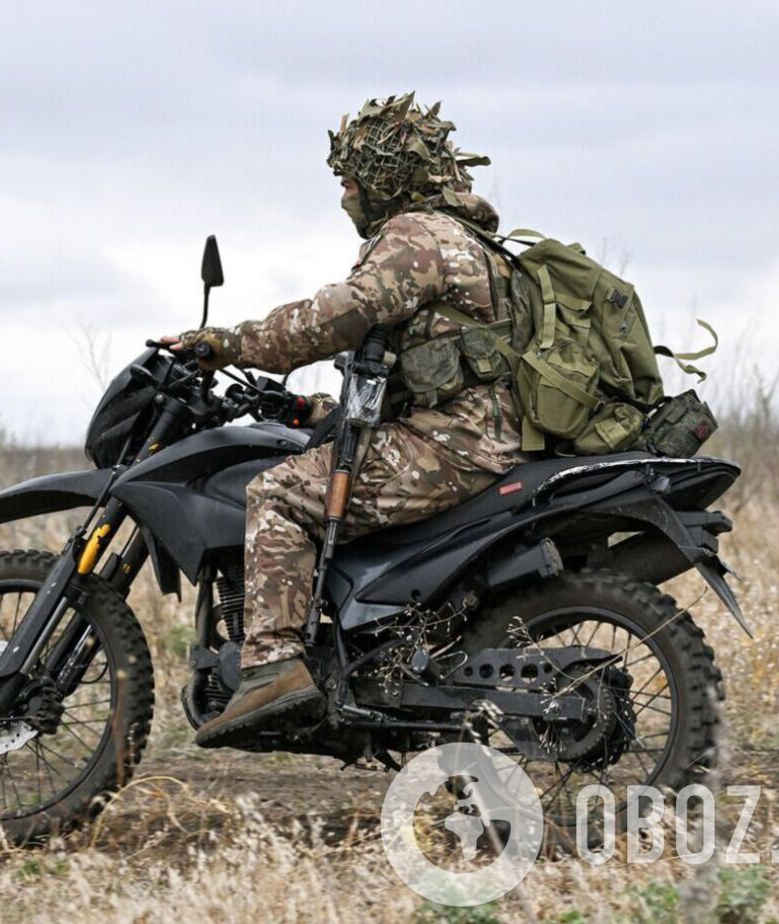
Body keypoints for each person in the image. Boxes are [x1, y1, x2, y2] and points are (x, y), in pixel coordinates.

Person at [166, 93, 535, 748]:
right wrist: (314, 409)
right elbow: (421, 371)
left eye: (352, 179)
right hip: (474, 435)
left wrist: (228, 343)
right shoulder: (466, 239)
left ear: (388, 178)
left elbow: (337, 317)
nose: (344, 196)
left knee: (278, 493)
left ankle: (274, 667)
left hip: (454, 445)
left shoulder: (415, 238)